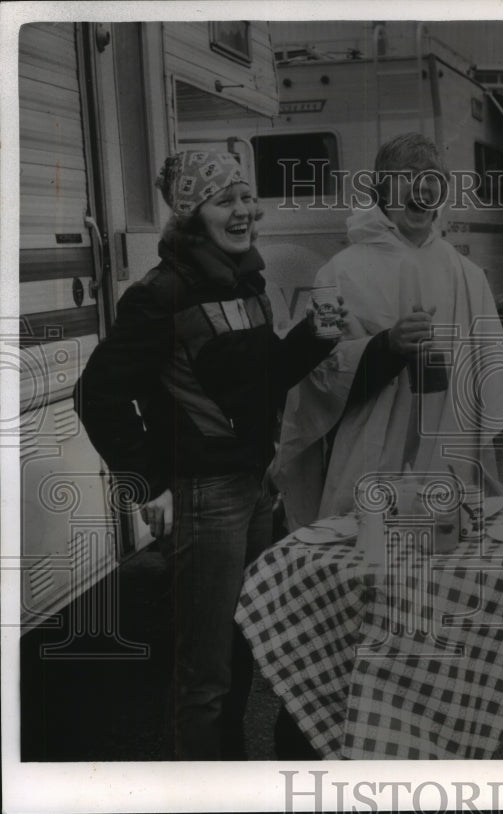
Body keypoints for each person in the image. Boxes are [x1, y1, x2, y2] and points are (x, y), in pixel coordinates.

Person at [73, 150, 344, 760]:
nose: (245, 209)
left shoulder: (243, 278)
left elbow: (260, 379)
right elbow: (96, 393)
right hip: (204, 497)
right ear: (193, 215)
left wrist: (314, 335)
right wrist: (147, 483)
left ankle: (230, 775)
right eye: (226, 200)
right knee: (204, 674)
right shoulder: (160, 293)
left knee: (242, 645)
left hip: (253, 488)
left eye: (247, 195)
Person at [272, 133, 503, 530]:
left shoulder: (467, 275)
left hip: (449, 457)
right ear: (381, 189)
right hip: (367, 458)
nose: (422, 186)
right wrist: (385, 347)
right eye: (408, 175)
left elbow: (489, 378)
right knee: (368, 572)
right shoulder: (338, 272)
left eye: (433, 177)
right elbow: (314, 381)